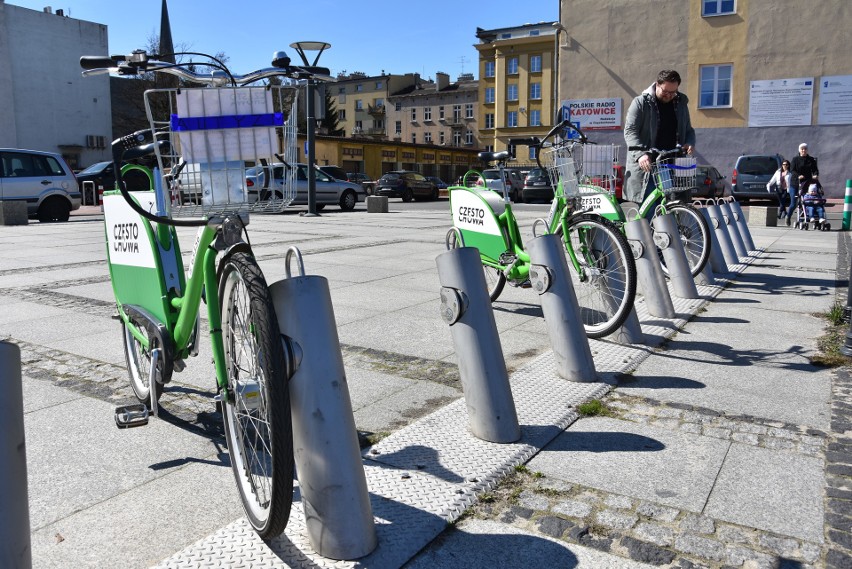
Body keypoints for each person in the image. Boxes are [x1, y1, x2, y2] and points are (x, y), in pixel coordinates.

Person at [623, 69, 696, 203]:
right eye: (665, 91)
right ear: (657, 85)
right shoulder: (640, 103)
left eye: (673, 92)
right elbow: (630, 131)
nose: (668, 95)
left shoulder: (681, 103)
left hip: (674, 164)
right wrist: (640, 154)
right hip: (649, 166)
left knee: (676, 209)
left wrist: (690, 142)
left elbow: (688, 129)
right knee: (651, 210)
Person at [766, 159, 796, 225]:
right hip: (778, 188)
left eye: (786, 165)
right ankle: (784, 212)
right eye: (784, 164)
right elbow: (773, 179)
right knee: (781, 201)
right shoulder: (778, 171)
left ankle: (779, 213)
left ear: (788, 166)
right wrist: (769, 184)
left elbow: (791, 181)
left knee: (783, 200)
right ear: (782, 165)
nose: (785, 166)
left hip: (786, 189)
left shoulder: (790, 173)